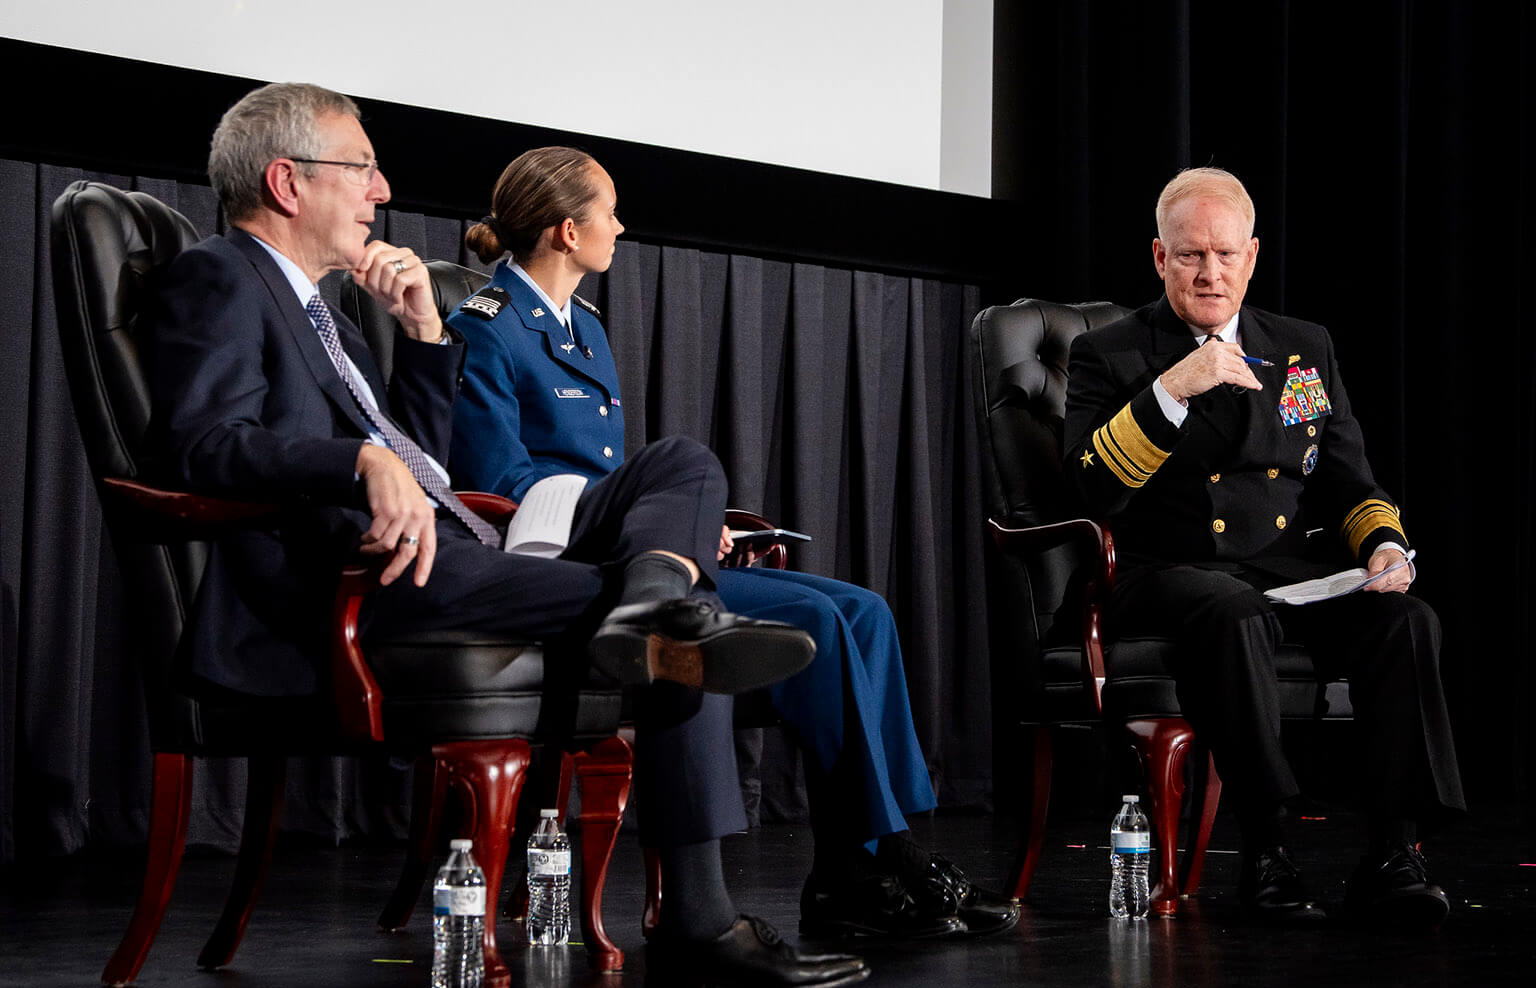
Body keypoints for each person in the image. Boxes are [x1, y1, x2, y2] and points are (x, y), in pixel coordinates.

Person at [145, 81, 870, 988]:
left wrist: (420, 335)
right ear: (289, 182)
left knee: (681, 463)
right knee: (690, 632)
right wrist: (358, 462)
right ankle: (700, 920)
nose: (381, 189)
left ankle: (651, 593)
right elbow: (205, 446)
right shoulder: (221, 275)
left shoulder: (320, 308)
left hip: (452, 553)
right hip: (356, 585)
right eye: (363, 167)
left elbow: (425, 463)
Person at [445, 147, 1018, 940]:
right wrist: (640, 516)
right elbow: (502, 487)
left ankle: (873, 853)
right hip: (575, 567)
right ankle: (875, 859)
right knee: (816, 622)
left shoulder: (586, 328)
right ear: (569, 229)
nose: (621, 224)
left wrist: (678, 524)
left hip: (634, 551)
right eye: (609, 211)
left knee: (866, 611)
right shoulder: (486, 328)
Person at [1063, 167, 1464, 927]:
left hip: (1287, 570)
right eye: (1189, 256)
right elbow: (1092, 491)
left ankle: (1394, 851)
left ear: (1251, 256)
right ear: (1159, 258)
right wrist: (1172, 388)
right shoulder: (1109, 354)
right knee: (1231, 608)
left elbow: (1350, 480)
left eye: (1223, 254)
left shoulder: (1302, 348)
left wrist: (1384, 547)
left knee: (1408, 619)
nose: (1209, 272)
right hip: (1165, 569)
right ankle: (1266, 849)